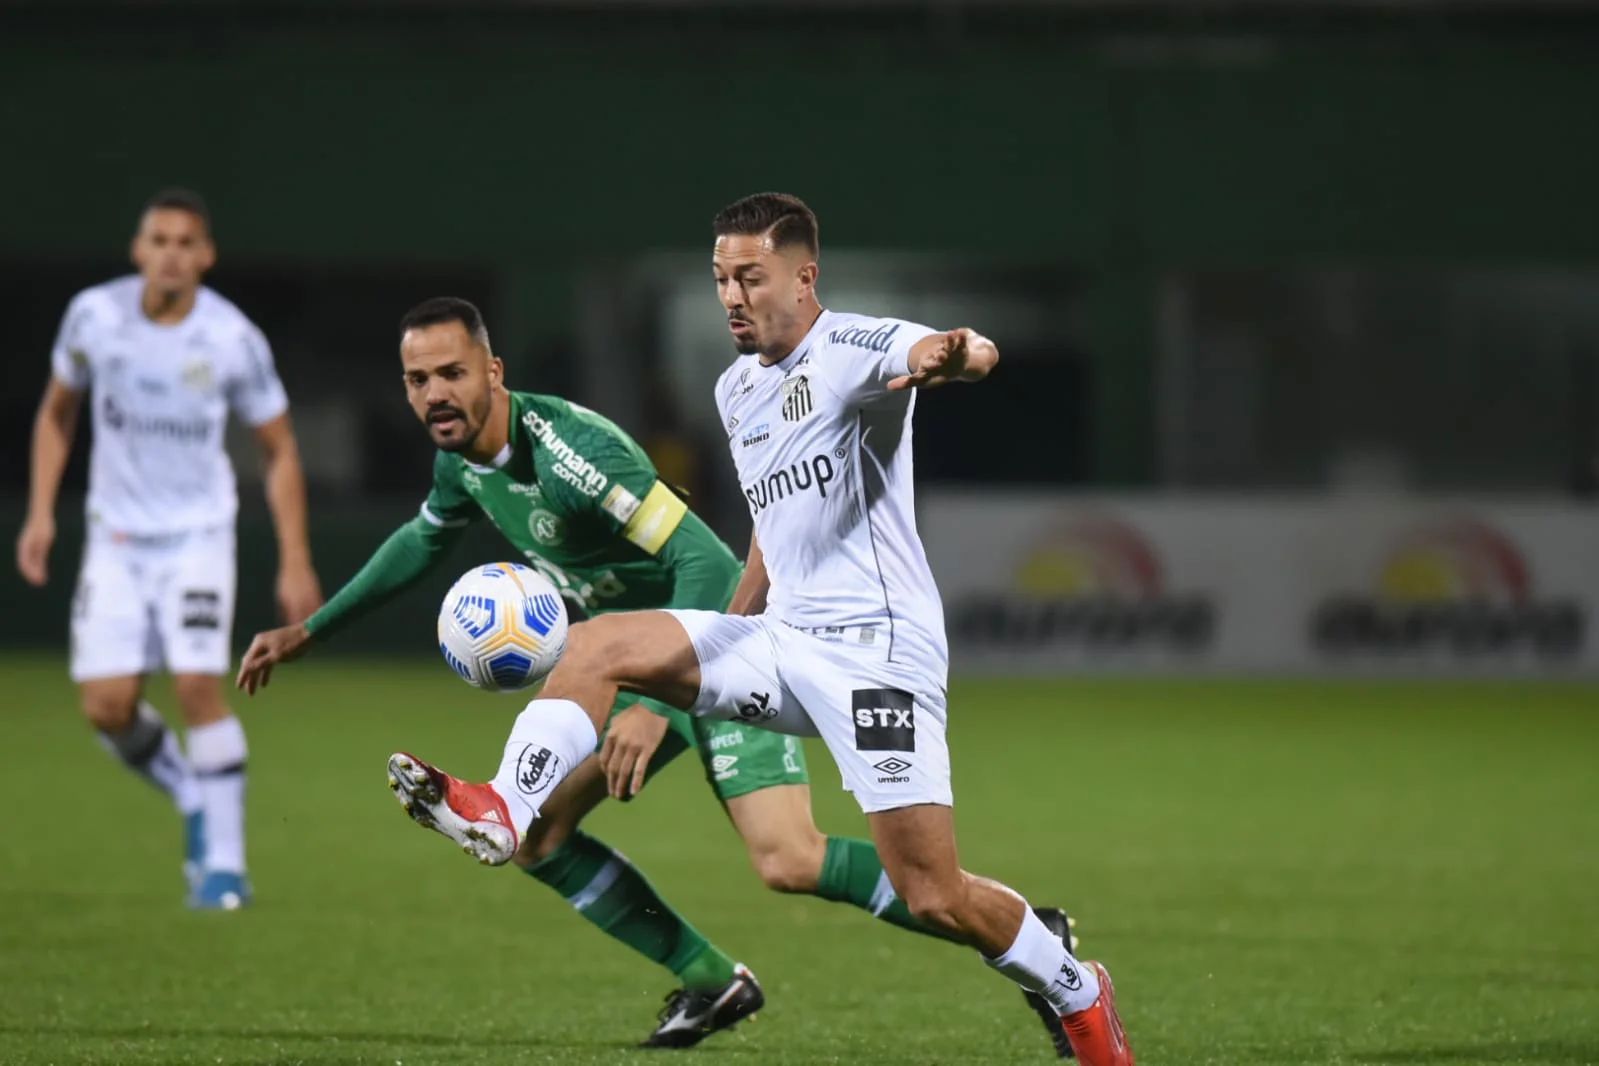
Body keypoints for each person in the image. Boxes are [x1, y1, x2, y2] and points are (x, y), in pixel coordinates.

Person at [327, 196, 1134, 1062]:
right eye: (720, 279)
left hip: (876, 654)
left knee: (932, 892)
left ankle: (1076, 989)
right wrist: (718, 633)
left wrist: (954, 354)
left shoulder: (856, 348)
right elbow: (769, 528)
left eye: (749, 277)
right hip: (785, 640)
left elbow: (966, 351)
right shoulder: (737, 386)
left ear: (803, 276)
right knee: (598, 644)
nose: (731, 296)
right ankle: (504, 806)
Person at [16, 187, 323, 910]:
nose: (172, 255)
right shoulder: (94, 316)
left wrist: (296, 556)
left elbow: (278, 449)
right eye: (160, 240)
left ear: (207, 256)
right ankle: (192, 793)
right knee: (107, 708)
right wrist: (39, 513)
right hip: (115, 539)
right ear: (138, 249)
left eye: (187, 243)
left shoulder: (231, 339)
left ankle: (224, 866)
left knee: (194, 685)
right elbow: (57, 413)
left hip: (197, 536)